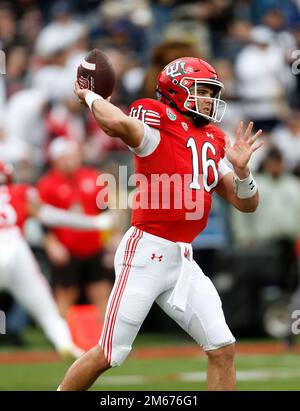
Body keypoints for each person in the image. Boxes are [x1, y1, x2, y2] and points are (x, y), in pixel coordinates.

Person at [58, 57, 263, 390]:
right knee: (109, 353)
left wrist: (243, 173)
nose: (210, 100)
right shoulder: (157, 119)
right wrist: (91, 97)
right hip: (146, 252)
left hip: (182, 259)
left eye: (212, 93)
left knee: (223, 347)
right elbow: (118, 125)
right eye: (203, 91)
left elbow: (246, 203)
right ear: (176, 90)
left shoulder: (212, 137)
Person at [0, 161, 113, 359]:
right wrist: (94, 222)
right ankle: (65, 343)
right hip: (16, 249)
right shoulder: (19, 192)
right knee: (48, 314)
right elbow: (51, 216)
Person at [38, 137, 114, 319]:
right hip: (67, 250)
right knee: (65, 296)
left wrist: (111, 241)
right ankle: (63, 342)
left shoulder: (93, 177)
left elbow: (106, 213)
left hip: (94, 247)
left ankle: (106, 342)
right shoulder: (47, 185)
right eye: (67, 156)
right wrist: (52, 244)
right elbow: (42, 222)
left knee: (101, 292)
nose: (72, 160)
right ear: (56, 159)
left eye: (74, 155)